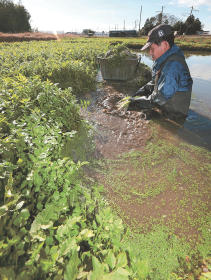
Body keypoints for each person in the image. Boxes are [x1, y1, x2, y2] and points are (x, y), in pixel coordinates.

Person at [128, 24, 193, 121]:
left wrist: (134, 103)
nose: (150, 53)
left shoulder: (172, 67)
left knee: (148, 118)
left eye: (152, 48)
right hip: (166, 103)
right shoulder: (163, 60)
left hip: (174, 114)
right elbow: (155, 82)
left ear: (165, 45)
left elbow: (158, 100)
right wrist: (140, 92)